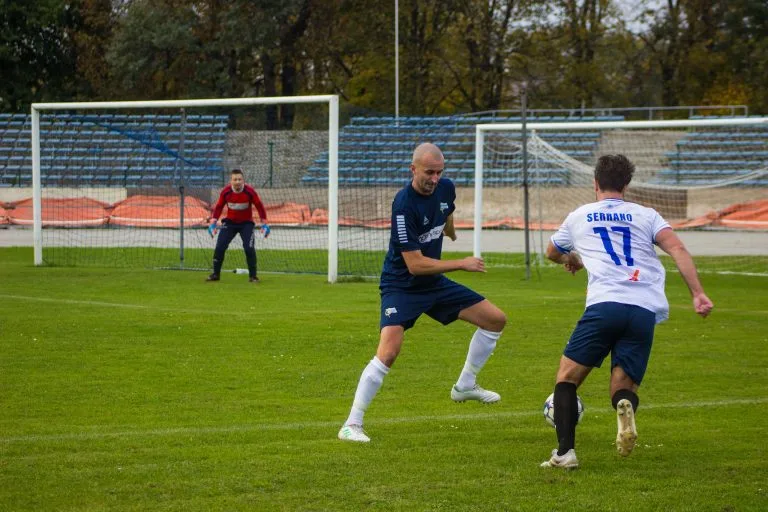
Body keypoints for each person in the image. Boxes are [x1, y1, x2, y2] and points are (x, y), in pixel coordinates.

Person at [540, 154, 713, 469]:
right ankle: (624, 404)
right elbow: (678, 249)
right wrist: (698, 293)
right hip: (643, 309)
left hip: (605, 305)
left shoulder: (580, 215)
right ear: (626, 184)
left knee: (566, 379)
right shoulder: (647, 215)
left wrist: (571, 259)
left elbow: (552, 251)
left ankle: (565, 454)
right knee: (622, 387)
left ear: (595, 183)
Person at [337, 142, 508, 443]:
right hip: (401, 286)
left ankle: (465, 386)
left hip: (434, 283)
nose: (435, 179)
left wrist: (450, 230)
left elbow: (447, 211)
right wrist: (461, 263)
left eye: (439, 172)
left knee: (495, 320)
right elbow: (414, 265)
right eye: (429, 172)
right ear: (413, 169)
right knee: (389, 351)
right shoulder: (404, 205)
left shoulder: (446, 187)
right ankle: (351, 424)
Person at [207, 169, 270, 283]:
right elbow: (219, 206)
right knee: (220, 247)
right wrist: (213, 222)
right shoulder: (226, 192)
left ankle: (253, 276)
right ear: (231, 181)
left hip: (246, 224)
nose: (237, 182)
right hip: (229, 223)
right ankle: (215, 274)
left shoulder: (250, 191)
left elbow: (259, 206)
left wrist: (264, 223)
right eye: (235, 179)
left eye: (239, 179)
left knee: (249, 248)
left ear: (243, 180)